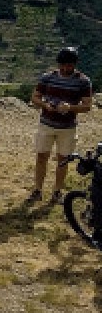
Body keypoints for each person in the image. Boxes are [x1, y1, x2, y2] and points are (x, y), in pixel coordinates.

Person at [30, 46, 92, 202]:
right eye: (63, 65)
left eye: (69, 65)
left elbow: (87, 106)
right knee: (41, 157)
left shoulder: (83, 81)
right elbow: (35, 98)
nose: (65, 68)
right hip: (46, 124)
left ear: (75, 64)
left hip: (68, 128)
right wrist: (45, 105)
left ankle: (57, 191)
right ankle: (37, 190)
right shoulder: (47, 77)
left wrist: (70, 107)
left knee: (63, 160)